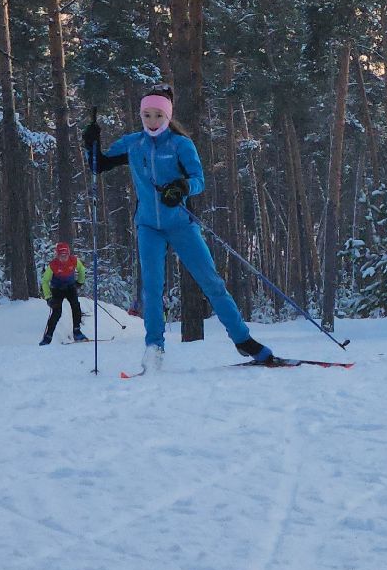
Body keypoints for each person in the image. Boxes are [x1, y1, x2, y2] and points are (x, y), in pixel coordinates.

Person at [82, 87, 275, 372]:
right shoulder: (133, 144)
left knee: (212, 283)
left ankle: (243, 340)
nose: (152, 120)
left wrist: (182, 187)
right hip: (148, 226)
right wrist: (92, 144)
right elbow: (99, 166)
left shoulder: (180, 145)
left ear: (167, 116)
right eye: (147, 115)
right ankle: (154, 349)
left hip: (181, 225)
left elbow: (198, 179)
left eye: (158, 115)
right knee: (152, 289)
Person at [38, 242, 87, 346]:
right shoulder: (53, 265)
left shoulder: (73, 260)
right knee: (56, 312)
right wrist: (48, 297)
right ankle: (48, 336)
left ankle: (77, 331)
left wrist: (80, 282)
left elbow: (82, 269)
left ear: (69, 254)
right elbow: (45, 281)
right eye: (61, 256)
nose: (64, 258)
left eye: (65, 256)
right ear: (57, 255)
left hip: (70, 287)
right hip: (57, 289)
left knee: (76, 306)